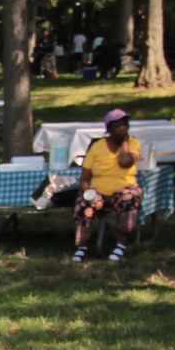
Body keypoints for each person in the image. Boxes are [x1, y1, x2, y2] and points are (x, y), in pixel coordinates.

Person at [73, 109, 144, 263]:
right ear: (109, 129)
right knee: (84, 204)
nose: (122, 128)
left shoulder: (133, 143)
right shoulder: (98, 146)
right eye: (117, 125)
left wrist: (124, 142)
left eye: (125, 124)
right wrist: (88, 194)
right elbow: (85, 176)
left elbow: (125, 162)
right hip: (99, 189)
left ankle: (122, 243)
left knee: (129, 197)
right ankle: (82, 245)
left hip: (124, 186)